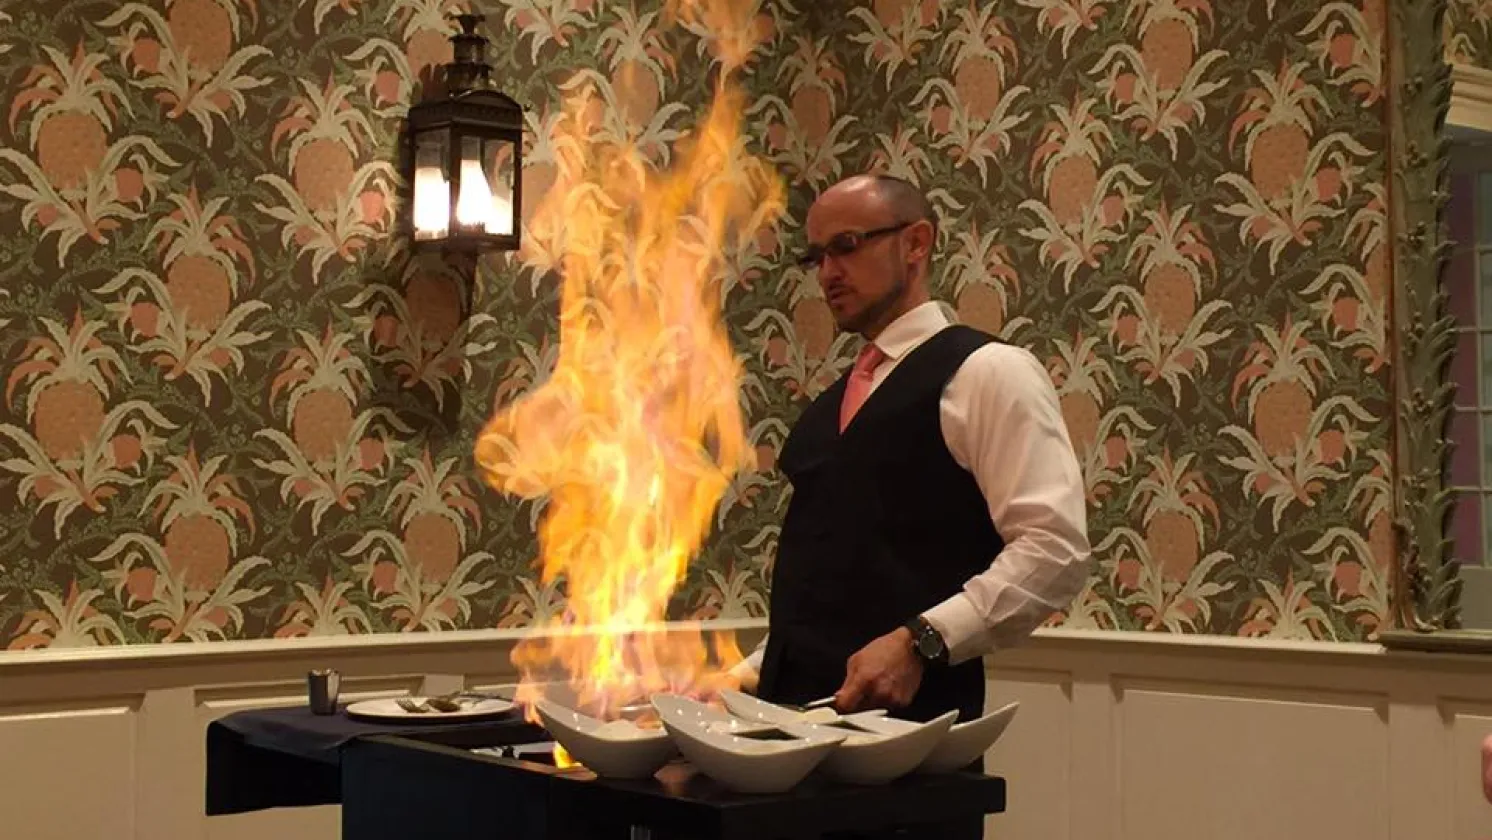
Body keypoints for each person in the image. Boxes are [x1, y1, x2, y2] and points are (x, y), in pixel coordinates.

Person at [731, 173, 1091, 839]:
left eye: (845, 247)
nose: (827, 274)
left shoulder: (988, 374)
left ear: (916, 242)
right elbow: (836, 578)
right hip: (788, 760)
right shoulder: (832, 403)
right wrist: (745, 676)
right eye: (815, 258)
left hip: (909, 774)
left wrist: (922, 642)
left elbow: (1055, 551)